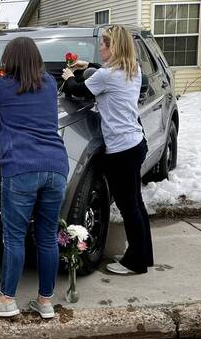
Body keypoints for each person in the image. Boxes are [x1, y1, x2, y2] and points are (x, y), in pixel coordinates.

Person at [0, 37, 69, 320]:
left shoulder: (3, 86)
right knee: (47, 237)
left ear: (9, 61)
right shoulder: (49, 84)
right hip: (56, 167)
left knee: (14, 237)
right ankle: (45, 301)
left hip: (21, 168)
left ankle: (6, 299)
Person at [61, 25, 154, 275]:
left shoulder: (107, 76)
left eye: (103, 44)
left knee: (128, 206)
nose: (100, 47)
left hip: (122, 149)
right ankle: (144, 255)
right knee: (136, 203)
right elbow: (104, 73)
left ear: (114, 47)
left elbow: (78, 90)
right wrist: (87, 64)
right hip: (135, 142)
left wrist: (69, 76)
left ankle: (135, 263)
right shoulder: (130, 70)